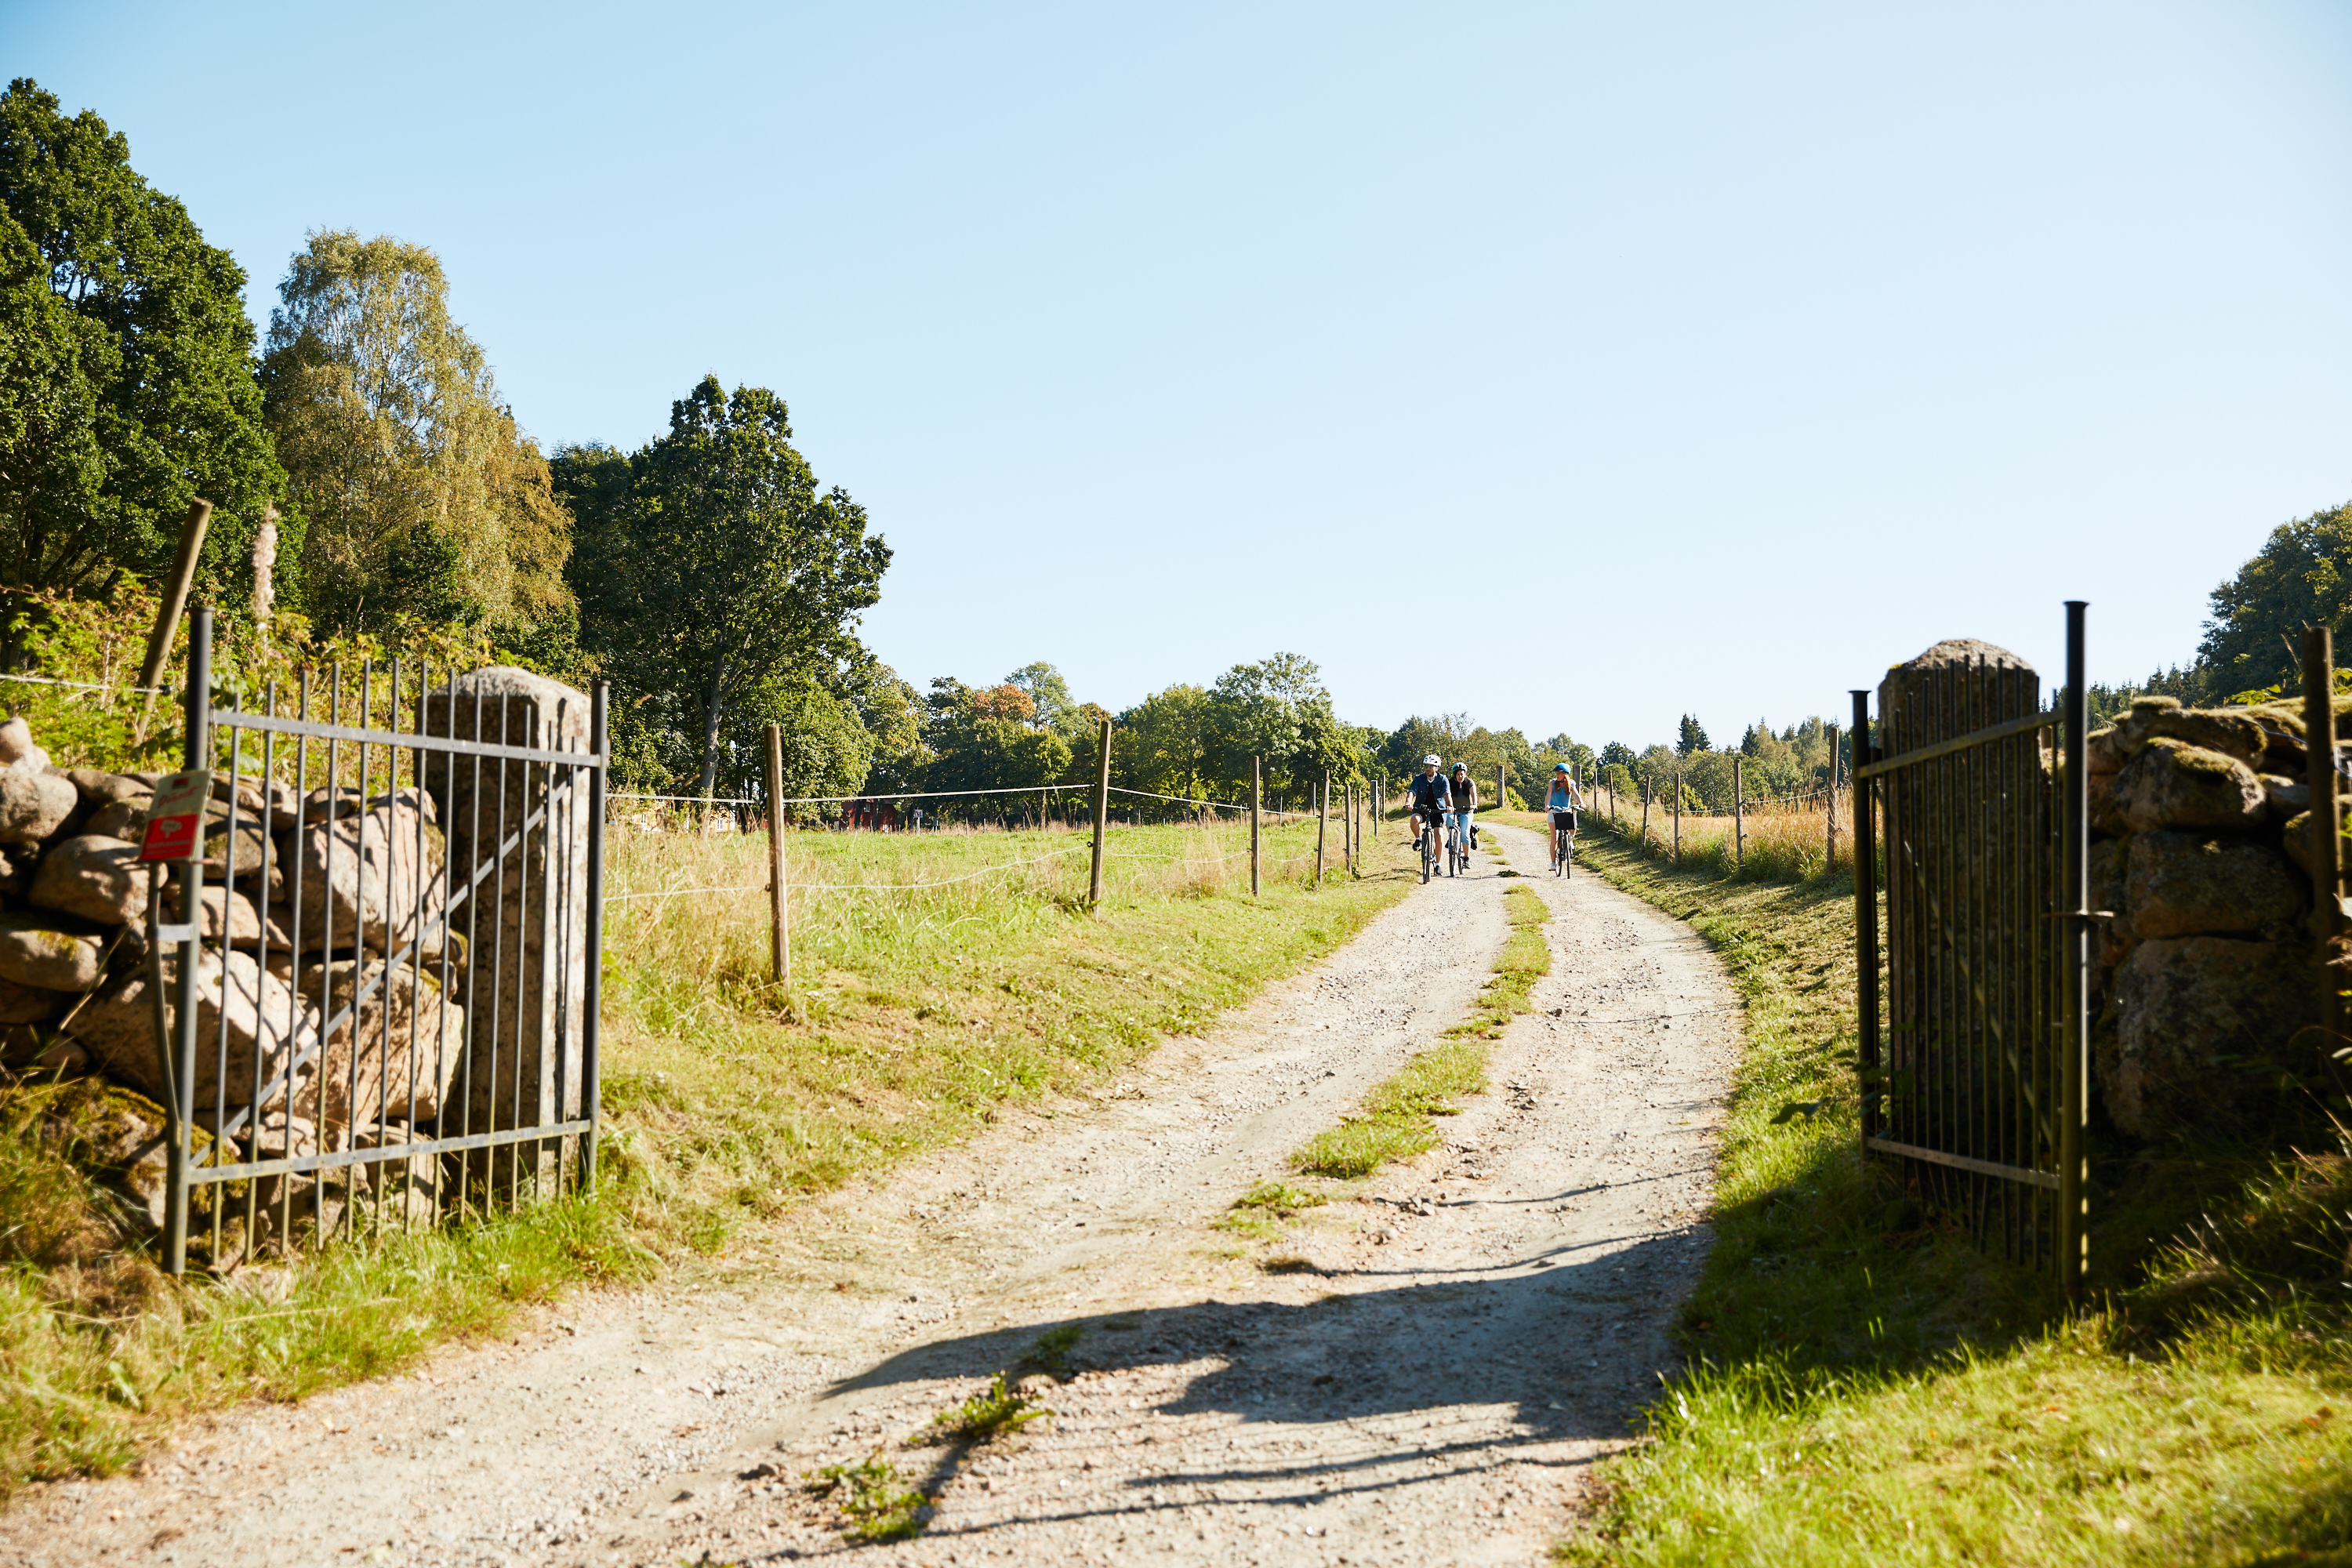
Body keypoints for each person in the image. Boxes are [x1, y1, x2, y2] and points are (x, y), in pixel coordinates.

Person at [1405, 755, 1450, 856]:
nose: (1428, 769)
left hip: (1438, 810)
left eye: (1431, 766)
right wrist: (1409, 802)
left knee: (1439, 835)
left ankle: (1438, 864)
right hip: (1421, 808)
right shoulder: (1419, 779)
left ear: (1437, 768)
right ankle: (1418, 839)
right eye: (1426, 766)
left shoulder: (1443, 779)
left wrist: (1450, 805)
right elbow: (1412, 791)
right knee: (1414, 819)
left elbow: (1446, 794)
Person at [1545, 763, 1583, 869]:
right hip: (1554, 811)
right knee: (1555, 837)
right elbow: (1548, 795)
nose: (1557, 775)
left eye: (1559, 774)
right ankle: (1553, 863)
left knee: (1573, 822)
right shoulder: (1552, 783)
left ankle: (1570, 840)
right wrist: (1547, 806)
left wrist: (1581, 803)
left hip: (1566, 811)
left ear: (1565, 774)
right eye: (1556, 773)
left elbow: (1576, 795)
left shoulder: (1571, 784)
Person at [1447, 762, 1481, 855]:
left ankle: (1466, 858)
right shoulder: (1449, 783)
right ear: (1454, 775)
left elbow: (1474, 794)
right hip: (1453, 810)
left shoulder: (1469, 783)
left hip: (1466, 811)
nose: (1460, 776)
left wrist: (1474, 804)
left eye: (1462, 774)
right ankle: (1451, 838)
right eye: (1458, 774)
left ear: (1465, 774)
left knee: (1465, 834)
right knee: (1448, 819)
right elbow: (1445, 795)